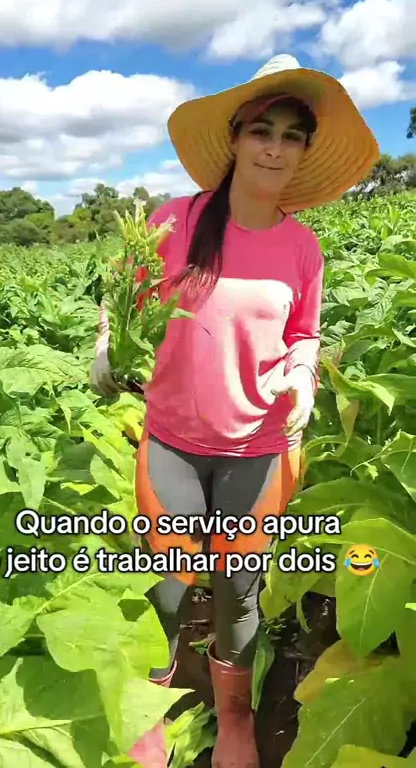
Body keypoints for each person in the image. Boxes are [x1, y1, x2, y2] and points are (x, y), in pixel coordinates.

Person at [90, 54, 379, 768]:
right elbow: (119, 300)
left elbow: (304, 333)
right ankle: (151, 703)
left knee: (239, 594)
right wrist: (107, 349)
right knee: (167, 585)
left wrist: (302, 377)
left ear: (302, 151)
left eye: (291, 136)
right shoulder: (175, 221)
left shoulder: (301, 247)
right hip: (173, 441)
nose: (275, 148)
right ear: (237, 140)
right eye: (262, 131)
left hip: (257, 447)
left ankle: (235, 719)